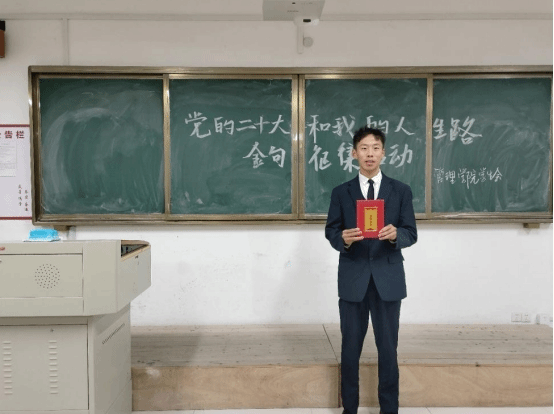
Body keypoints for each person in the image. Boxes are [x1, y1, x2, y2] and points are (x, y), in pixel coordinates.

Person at [325, 126, 417, 414]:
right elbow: (331, 231)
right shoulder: (341, 192)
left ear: (383, 153)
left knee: (388, 349)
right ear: (354, 153)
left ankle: (389, 409)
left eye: (375, 148)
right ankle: (349, 409)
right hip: (353, 278)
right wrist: (343, 239)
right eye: (364, 148)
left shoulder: (400, 191)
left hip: (388, 280)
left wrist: (396, 235)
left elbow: (411, 232)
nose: (370, 153)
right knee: (350, 349)